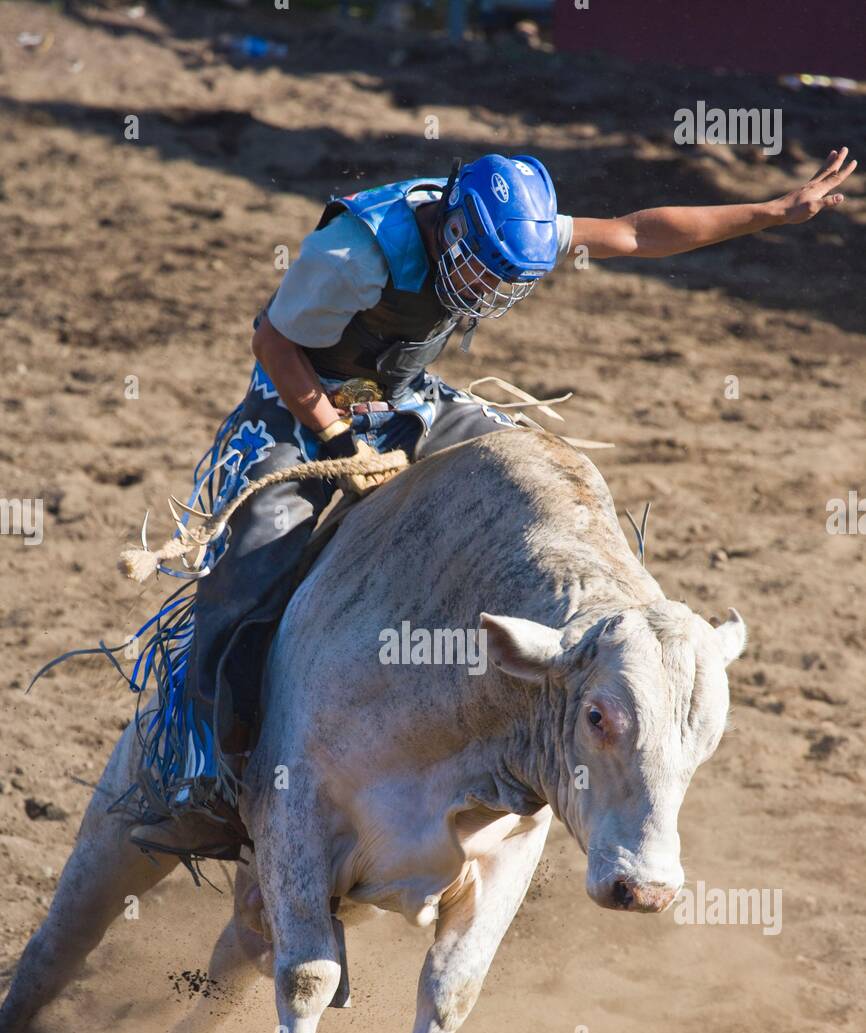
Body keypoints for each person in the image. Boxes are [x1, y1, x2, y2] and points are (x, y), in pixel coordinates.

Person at [128, 147, 856, 864]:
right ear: (451, 228)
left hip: (404, 399)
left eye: (514, 278)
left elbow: (638, 231)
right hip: (302, 403)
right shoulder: (356, 251)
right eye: (487, 270)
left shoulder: (512, 226)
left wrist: (774, 211)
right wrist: (339, 440)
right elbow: (274, 344)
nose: (496, 290)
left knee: (533, 474)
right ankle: (204, 776)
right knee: (251, 567)